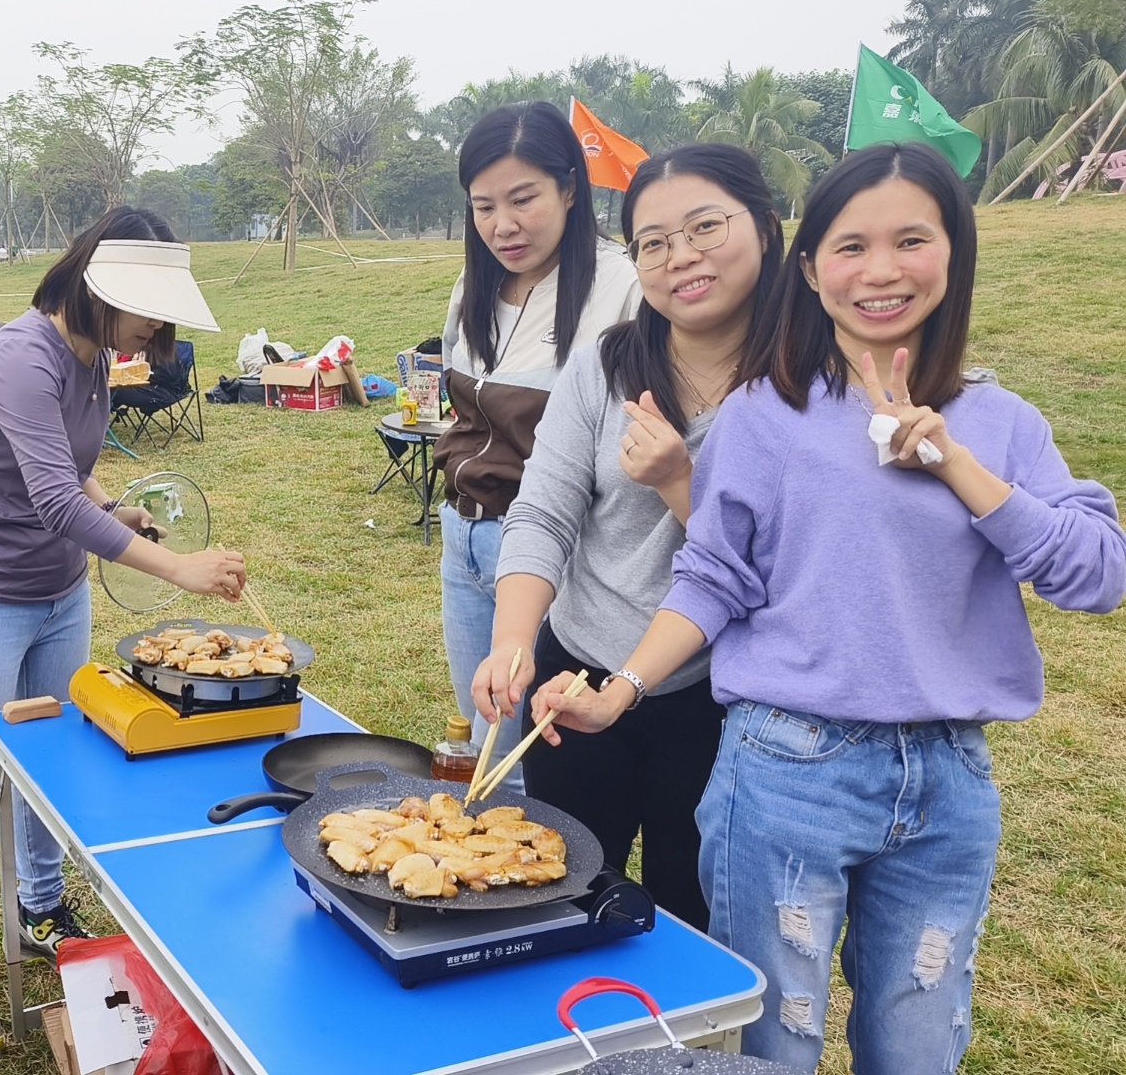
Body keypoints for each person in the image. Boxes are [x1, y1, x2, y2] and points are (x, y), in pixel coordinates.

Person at [527, 142, 1126, 1071]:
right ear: (811, 268)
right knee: (774, 1039)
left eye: (910, 241)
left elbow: (1095, 576)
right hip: (788, 770)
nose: (881, 271)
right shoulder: (766, 415)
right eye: (851, 247)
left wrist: (958, 467)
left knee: (919, 1034)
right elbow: (718, 574)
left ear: (955, 255)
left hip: (948, 780)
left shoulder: (1003, 423)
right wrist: (625, 688)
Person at [0, 206, 246, 1062]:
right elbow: (48, 499)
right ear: (100, 289)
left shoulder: (93, 359)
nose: (155, 329)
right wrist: (182, 570)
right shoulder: (23, 356)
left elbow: (69, 476)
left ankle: (43, 910)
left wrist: (113, 506)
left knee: (53, 772)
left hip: (59, 595)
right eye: (148, 309)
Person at [473, 144, 783, 931]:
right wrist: (513, 642)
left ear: (766, 225)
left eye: (706, 226)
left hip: (722, 697)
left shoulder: (803, 385)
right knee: (556, 887)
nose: (681, 256)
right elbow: (544, 509)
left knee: (696, 904)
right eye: (653, 242)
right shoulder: (603, 369)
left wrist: (682, 484)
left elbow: (780, 570)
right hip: (574, 678)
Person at [433, 101, 640, 792]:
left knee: (540, 765)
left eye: (523, 199)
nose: (503, 225)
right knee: (489, 747)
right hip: (464, 541)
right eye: (484, 206)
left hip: (555, 558)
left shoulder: (624, 290)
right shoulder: (474, 286)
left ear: (571, 189)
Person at [109, 342, 190, 415]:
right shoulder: (141, 347)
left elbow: (168, 375)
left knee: (116, 392)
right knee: (108, 388)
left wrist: (144, 374)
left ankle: (101, 417)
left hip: (165, 392)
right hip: (146, 385)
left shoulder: (162, 350)